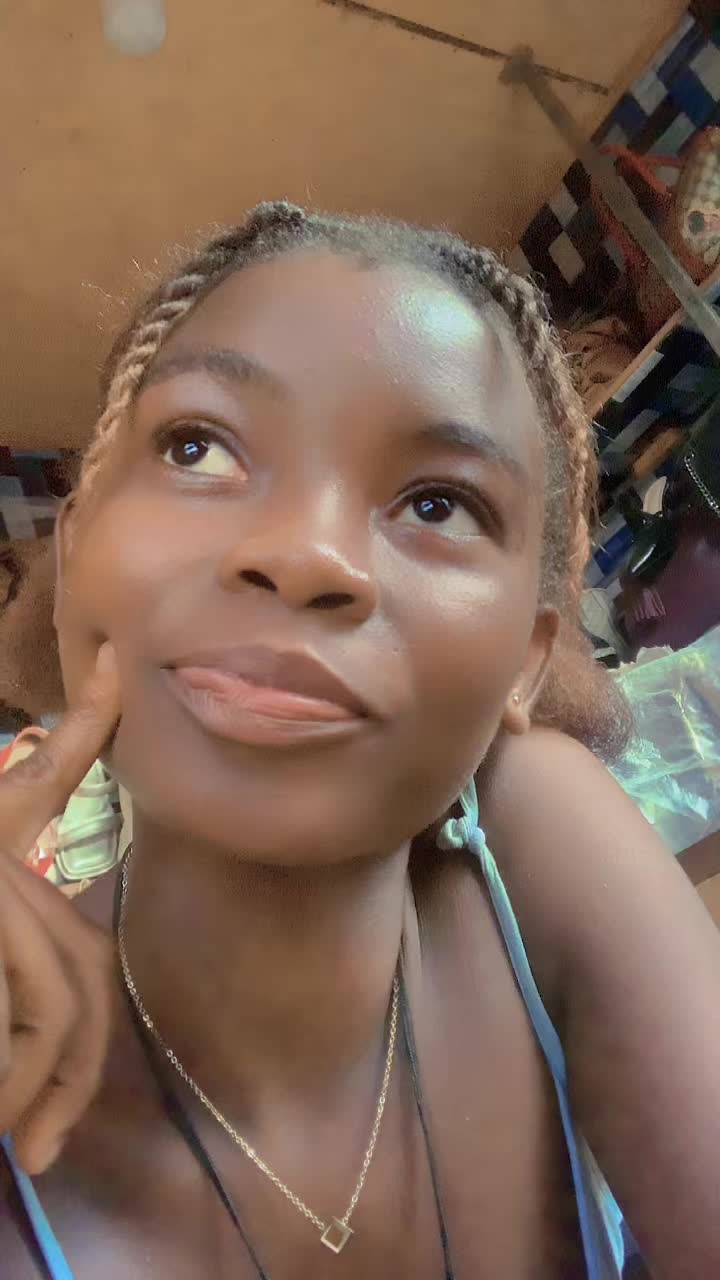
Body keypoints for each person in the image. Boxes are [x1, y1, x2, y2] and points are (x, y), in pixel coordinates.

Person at [1, 202, 719, 1279]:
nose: (305, 553)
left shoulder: (533, 834)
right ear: (74, 559)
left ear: (525, 663)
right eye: (198, 446)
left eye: (437, 503)